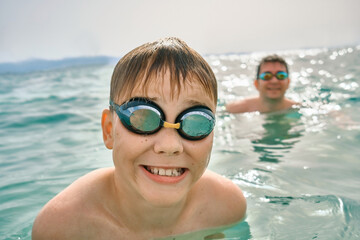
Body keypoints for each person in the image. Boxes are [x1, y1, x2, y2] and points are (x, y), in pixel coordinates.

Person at [32, 37, 246, 240]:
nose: (170, 146)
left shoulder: (225, 207)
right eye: (143, 118)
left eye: (196, 121)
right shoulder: (64, 227)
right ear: (109, 130)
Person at [226, 54, 298, 113]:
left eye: (281, 75)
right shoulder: (235, 109)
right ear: (256, 83)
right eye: (267, 76)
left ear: (288, 82)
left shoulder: (298, 109)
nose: (274, 81)